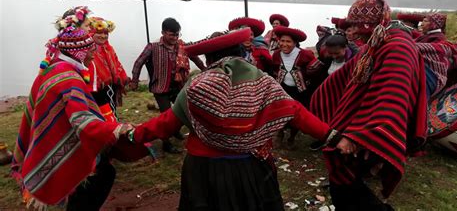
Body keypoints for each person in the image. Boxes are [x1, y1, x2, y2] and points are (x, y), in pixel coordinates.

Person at [125, 27, 349, 211]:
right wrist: (333, 136)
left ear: (210, 58)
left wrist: (132, 135)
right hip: (251, 166)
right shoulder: (263, 83)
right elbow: (296, 112)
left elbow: (166, 123)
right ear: (242, 53)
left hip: (203, 169)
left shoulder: (196, 85)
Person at [310, 0, 428, 210]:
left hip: (369, 131)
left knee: (345, 187)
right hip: (359, 126)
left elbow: (392, 97)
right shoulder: (376, 43)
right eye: (350, 26)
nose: (352, 32)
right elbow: (347, 74)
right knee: (345, 183)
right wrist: (321, 98)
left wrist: (361, 135)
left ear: (369, 24)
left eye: (356, 26)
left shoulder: (397, 47)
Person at [11, 27, 133, 210]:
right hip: (61, 138)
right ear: (81, 52)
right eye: (92, 52)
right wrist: (116, 129)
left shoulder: (52, 68)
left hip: (50, 139)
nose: (94, 56)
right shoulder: (71, 79)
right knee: (103, 175)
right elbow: (81, 120)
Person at [131, 17, 205, 154]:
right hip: (160, 88)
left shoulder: (182, 46)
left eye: (177, 34)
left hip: (178, 86)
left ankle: (176, 131)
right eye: (171, 34)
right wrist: (135, 81)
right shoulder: (152, 47)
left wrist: (205, 69)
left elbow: (195, 57)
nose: (175, 38)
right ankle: (166, 144)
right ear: (163, 33)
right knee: (166, 117)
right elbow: (138, 63)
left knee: (182, 111)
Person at [271, 26, 319, 146]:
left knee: (296, 114)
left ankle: (292, 137)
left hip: (300, 91)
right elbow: (274, 69)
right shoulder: (276, 54)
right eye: (282, 41)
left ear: (295, 43)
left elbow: (316, 69)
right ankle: (280, 132)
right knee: (280, 112)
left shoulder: (305, 54)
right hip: (283, 89)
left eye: (288, 41)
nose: (284, 44)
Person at [88, 17, 129, 118]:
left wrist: (123, 77)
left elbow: (117, 63)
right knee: (100, 115)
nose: (103, 36)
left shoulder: (109, 49)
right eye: (99, 33)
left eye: (106, 33)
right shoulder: (87, 52)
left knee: (111, 111)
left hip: (110, 88)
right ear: (91, 33)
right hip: (95, 91)